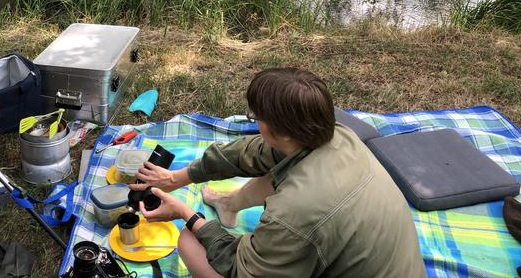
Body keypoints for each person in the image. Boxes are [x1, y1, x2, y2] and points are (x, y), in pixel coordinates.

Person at [129, 68, 425, 277]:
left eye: (256, 117)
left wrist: (187, 215)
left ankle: (211, 216)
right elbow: (251, 153)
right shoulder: (338, 136)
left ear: (278, 130)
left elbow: (239, 269)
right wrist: (178, 178)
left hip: (314, 234)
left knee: (190, 242)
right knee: (279, 174)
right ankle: (228, 204)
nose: (255, 123)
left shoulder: (293, 213)